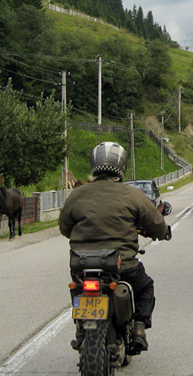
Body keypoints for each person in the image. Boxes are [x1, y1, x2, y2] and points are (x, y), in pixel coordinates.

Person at [59, 141, 169, 353]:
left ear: (94, 164)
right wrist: (163, 232)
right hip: (122, 266)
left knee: (78, 287)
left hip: (81, 264)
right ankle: (138, 328)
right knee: (145, 287)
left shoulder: (77, 195)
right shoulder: (132, 195)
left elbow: (65, 227)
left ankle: (82, 329)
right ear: (122, 165)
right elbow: (155, 223)